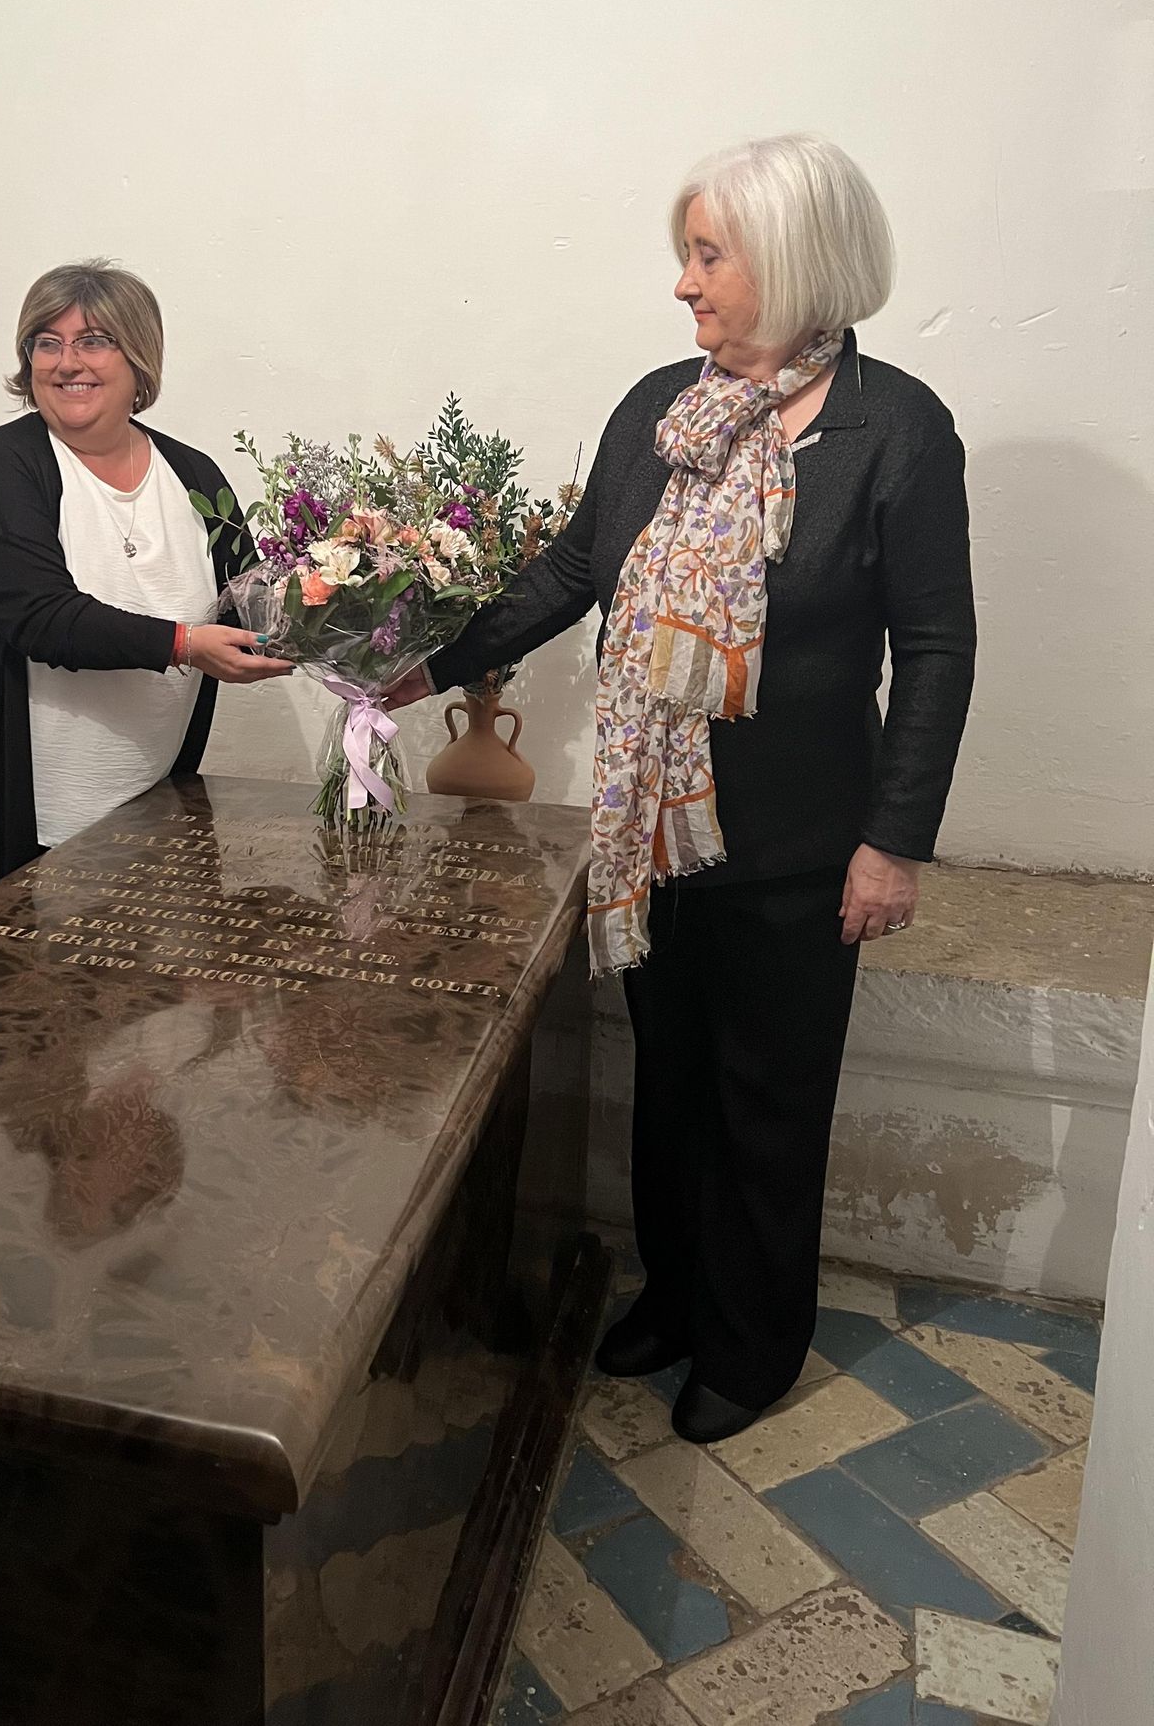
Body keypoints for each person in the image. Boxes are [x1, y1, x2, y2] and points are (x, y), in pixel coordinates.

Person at [390, 135, 976, 1442]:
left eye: (707, 256)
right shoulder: (660, 405)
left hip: (797, 844)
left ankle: (752, 1344)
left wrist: (893, 842)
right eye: (687, 255)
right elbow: (570, 573)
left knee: (768, 1100)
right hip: (649, 828)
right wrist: (423, 659)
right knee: (669, 1082)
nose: (683, 283)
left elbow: (936, 646)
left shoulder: (894, 431)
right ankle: (675, 1294)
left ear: (792, 260)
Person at [0, 260, 289, 919]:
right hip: (17, 818)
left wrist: (360, 601)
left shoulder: (192, 473)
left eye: (93, 341)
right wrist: (185, 644)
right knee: (11, 984)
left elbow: (253, 601)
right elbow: (43, 618)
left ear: (138, 359)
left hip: (149, 805)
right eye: (47, 342)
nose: (67, 363)